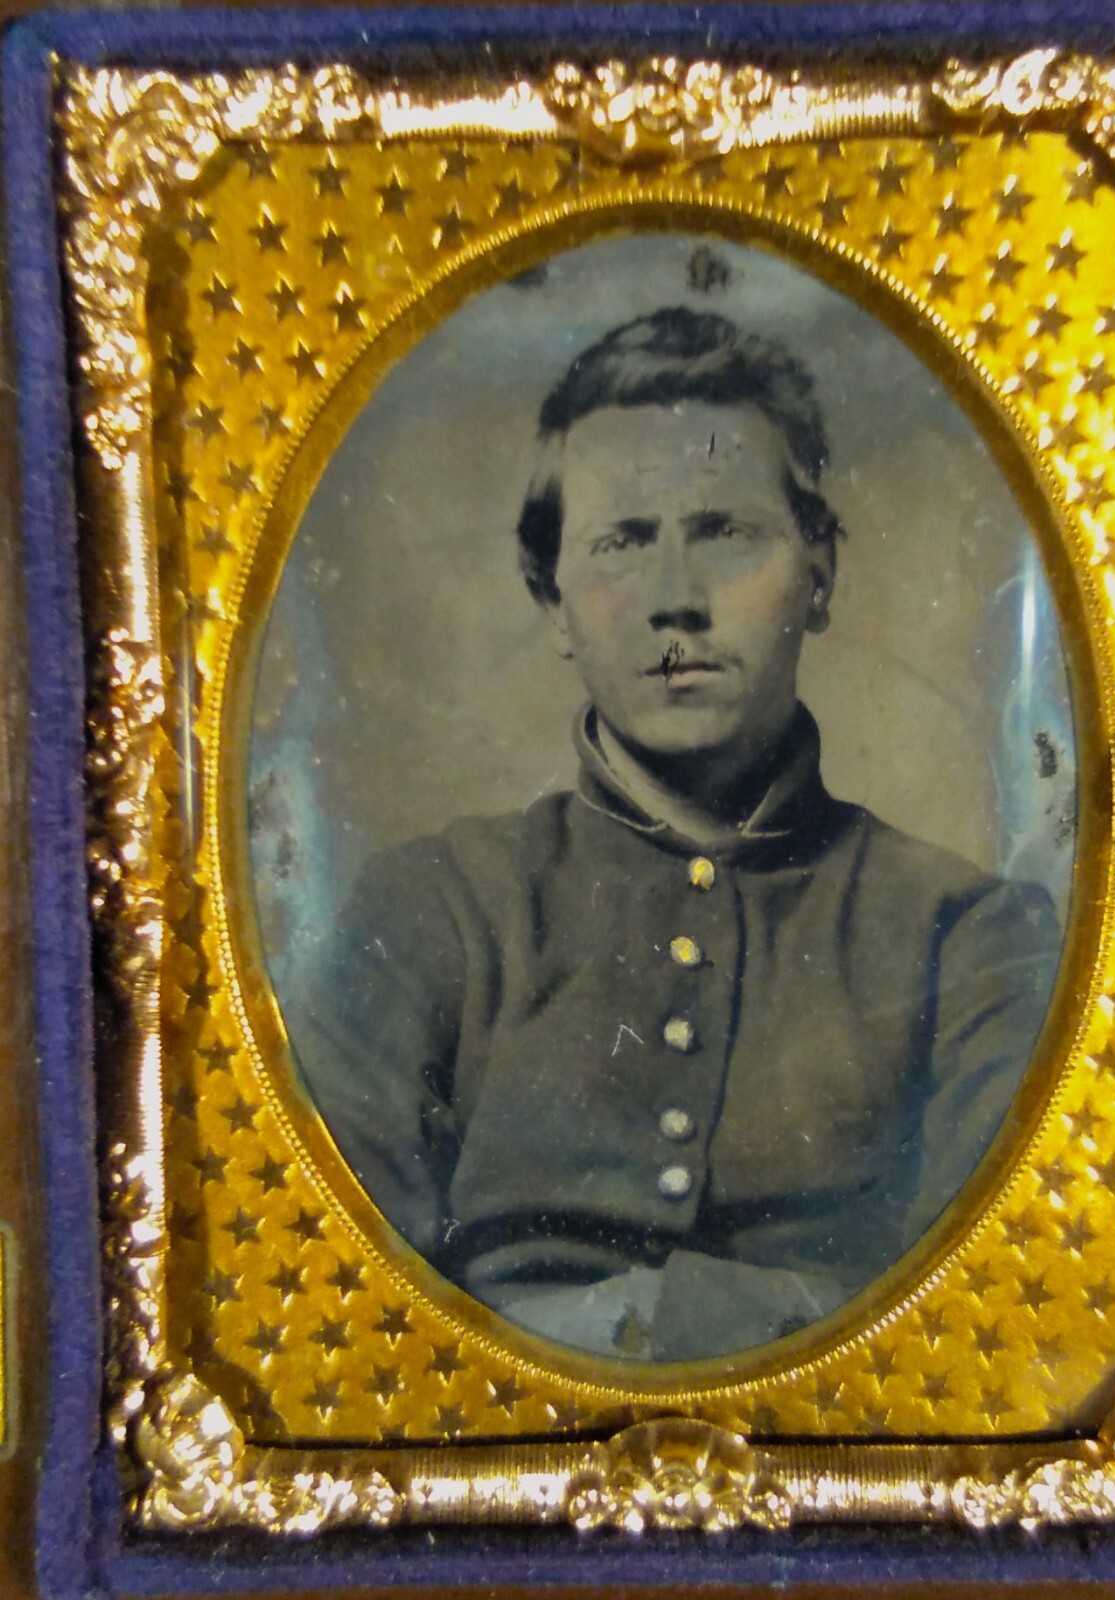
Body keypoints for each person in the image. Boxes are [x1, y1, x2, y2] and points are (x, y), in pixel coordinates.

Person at [296, 307, 1060, 1363]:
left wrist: (668, 1322)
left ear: (820, 569)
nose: (674, 602)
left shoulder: (966, 937)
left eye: (724, 533)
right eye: (621, 542)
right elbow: (328, 1312)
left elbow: (989, 1325)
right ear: (551, 599)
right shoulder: (432, 912)